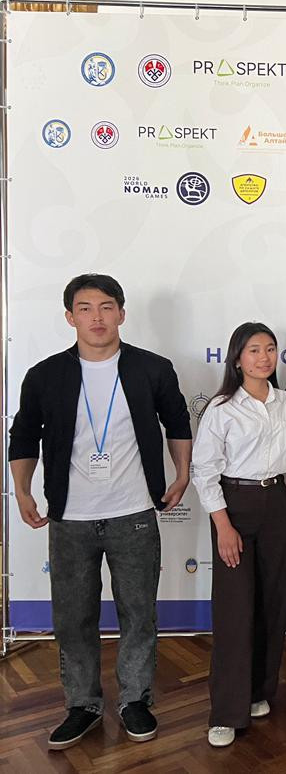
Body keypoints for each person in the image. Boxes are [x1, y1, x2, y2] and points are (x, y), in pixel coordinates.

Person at [8, 274, 192, 750]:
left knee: (138, 614)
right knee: (73, 618)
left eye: (106, 307)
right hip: (69, 518)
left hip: (134, 513)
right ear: (70, 317)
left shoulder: (152, 369)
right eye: (85, 308)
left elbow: (177, 421)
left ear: (121, 314)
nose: (97, 317)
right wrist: (22, 491)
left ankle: (135, 700)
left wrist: (182, 474)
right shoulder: (45, 375)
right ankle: (83, 705)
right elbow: (24, 435)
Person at [191, 322, 286, 748]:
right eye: (254, 350)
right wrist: (223, 525)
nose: (264, 357)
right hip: (234, 505)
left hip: (277, 501)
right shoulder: (222, 408)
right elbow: (205, 470)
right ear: (237, 359)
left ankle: (258, 692)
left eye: (270, 349)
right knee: (235, 609)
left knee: (272, 602)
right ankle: (226, 712)